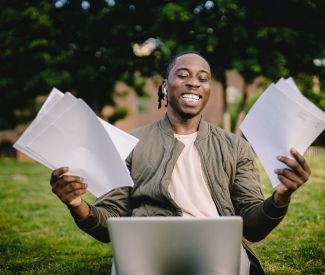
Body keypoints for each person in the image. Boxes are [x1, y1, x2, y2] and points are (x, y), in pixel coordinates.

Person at [50, 52, 311, 274]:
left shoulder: (235, 147)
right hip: (146, 253)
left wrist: (281, 197)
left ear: (208, 90)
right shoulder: (130, 143)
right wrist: (76, 204)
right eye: (183, 75)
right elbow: (109, 223)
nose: (194, 83)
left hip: (217, 257)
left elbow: (253, 227)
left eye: (203, 78)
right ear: (165, 86)